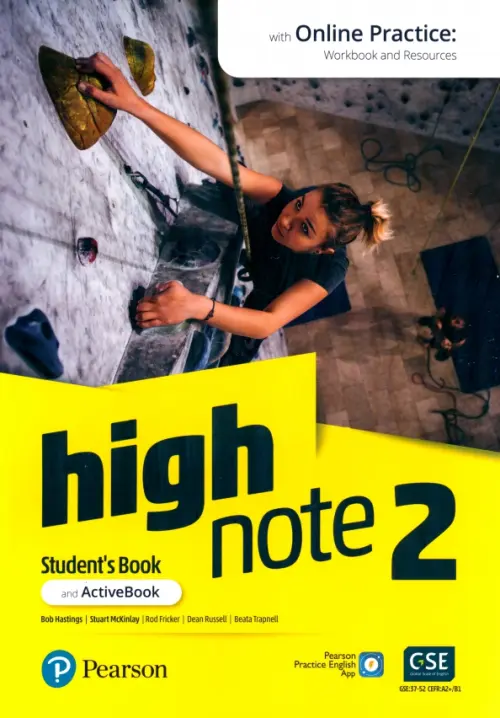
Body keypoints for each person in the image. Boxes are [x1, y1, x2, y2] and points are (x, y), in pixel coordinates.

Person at [75, 54, 393, 364]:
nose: (287, 220)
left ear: (321, 249)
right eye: (299, 205)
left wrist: (195, 306)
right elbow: (217, 163)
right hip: (254, 233)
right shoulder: (284, 204)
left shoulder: (329, 269)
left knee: (231, 358)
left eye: (305, 228)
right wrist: (136, 105)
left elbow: (267, 322)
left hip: (267, 292)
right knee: (230, 191)